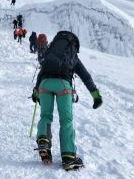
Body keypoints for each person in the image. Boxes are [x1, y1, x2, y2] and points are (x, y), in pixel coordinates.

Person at [32, 31, 103, 171]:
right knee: (66, 121)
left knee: (45, 116)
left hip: (44, 84)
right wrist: (96, 95)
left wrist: (36, 91)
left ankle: (43, 140)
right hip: (63, 85)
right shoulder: (72, 56)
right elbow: (86, 76)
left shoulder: (50, 53)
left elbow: (42, 72)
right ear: (73, 46)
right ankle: (69, 158)